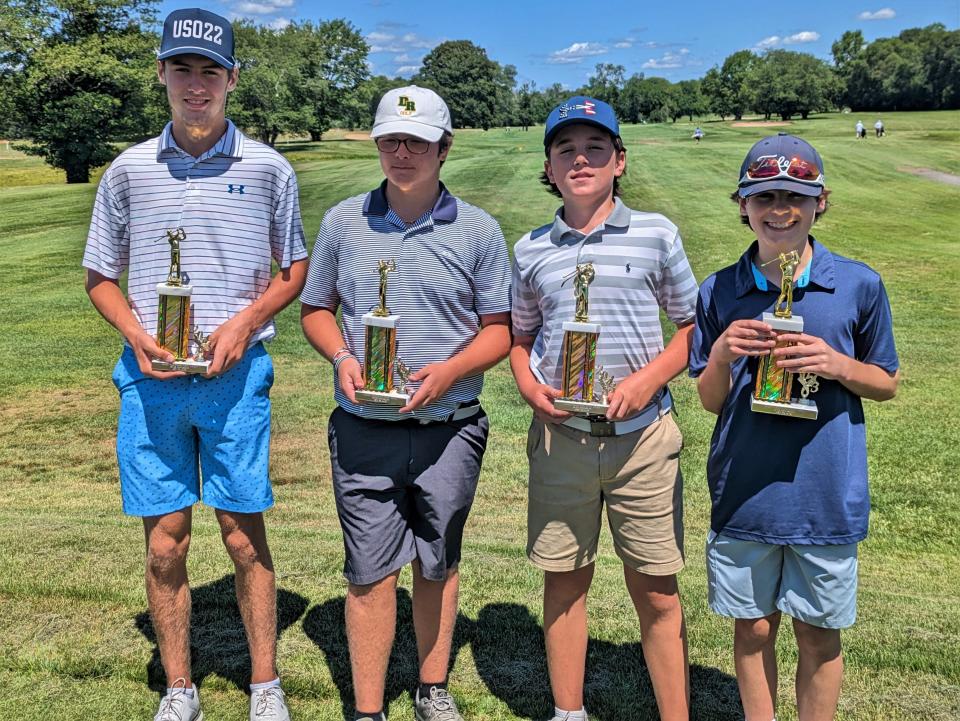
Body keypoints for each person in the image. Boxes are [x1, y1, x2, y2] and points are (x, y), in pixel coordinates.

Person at [83, 8, 307, 721]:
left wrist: (246, 321)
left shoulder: (269, 167)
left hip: (236, 381)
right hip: (151, 385)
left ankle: (263, 683)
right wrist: (136, 334)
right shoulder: (127, 171)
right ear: (161, 75)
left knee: (244, 536)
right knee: (164, 545)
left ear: (233, 79)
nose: (196, 84)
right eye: (183, 68)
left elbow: (294, 268)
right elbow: (99, 276)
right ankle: (180, 688)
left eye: (211, 70)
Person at [300, 85, 511, 721]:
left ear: (443, 149)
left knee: (438, 561)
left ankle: (431, 687)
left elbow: (499, 328)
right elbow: (316, 309)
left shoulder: (477, 229)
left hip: (450, 427)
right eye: (390, 139)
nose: (401, 151)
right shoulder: (344, 221)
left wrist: (449, 372)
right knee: (367, 572)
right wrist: (342, 358)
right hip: (366, 426)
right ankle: (367, 709)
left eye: (416, 142)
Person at [689, 133, 900, 721]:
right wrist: (726, 355)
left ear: (820, 202)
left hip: (823, 491)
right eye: (765, 198)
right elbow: (709, 399)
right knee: (753, 629)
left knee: (817, 634)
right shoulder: (721, 289)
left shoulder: (857, 284)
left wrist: (836, 364)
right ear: (742, 204)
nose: (779, 211)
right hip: (745, 488)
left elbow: (885, 381)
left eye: (794, 197)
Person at [510, 96, 698, 721]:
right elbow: (520, 336)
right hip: (561, 438)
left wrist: (648, 380)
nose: (580, 159)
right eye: (566, 149)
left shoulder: (656, 233)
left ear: (619, 160)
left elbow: (692, 326)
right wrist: (527, 385)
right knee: (564, 582)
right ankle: (569, 712)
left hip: (643, 440)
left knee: (657, 589)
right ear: (549, 165)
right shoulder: (531, 248)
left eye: (595, 148)